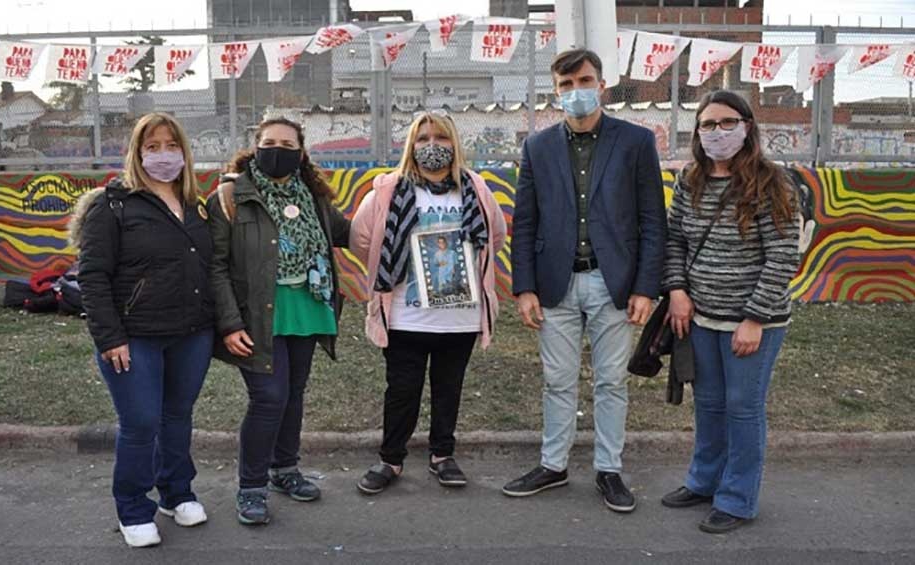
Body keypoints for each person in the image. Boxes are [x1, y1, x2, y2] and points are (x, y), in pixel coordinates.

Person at [503, 48, 667, 513]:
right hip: (556, 284)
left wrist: (644, 287)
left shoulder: (636, 142)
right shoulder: (537, 146)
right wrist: (525, 287)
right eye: (566, 85)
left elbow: (653, 219)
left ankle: (608, 470)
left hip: (613, 283)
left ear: (602, 85)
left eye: (585, 81)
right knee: (557, 381)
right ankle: (552, 466)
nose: (577, 92)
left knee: (612, 381)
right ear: (556, 91)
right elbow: (526, 220)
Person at [659, 90, 800, 534]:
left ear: (746, 126)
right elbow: (675, 238)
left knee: (743, 408)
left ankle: (738, 499)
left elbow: (782, 255)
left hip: (753, 324)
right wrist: (678, 290)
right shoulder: (690, 179)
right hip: (701, 317)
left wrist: (755, 318)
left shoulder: (772, 182)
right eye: (707, 124)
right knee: (710, 405)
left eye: (726, 123)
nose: (716, 133)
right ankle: (704, 481)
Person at [74, 112, 214, 548]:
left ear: (184, 152)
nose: (163, 155)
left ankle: (176, 492)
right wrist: (110, 337)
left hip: (191, 332)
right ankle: (133, 507)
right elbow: (92, 276)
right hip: (134, 335)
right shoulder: (111, 205)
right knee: (140, 422)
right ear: (136, 153)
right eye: (152, 147)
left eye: (171, 146)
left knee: (177, 416)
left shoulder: (196, 203)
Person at [350, 111, 507, 495]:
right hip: (405, 314)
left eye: (441, 138)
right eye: (422, 139)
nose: (432, 146)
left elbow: (496, 236)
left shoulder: (476, 189)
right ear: (411, 146)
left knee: (448, 388)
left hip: (460, 316)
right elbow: (362, 239)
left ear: (455, 144)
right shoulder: (388, 190)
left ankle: (442, 455)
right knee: (402, 390)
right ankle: (391, 458)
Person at [208, 117, 350, 526]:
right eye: (269, 142)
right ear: (254, 148)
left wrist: (388, 198)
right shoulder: (232, 195)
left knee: (293, 394)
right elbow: (216, 266)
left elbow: (347, 233)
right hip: (257, 315)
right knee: (268, 399)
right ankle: (251, 487)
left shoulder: (314, 195)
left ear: (301, 152)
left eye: (287, 143)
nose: (278, 149)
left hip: (306, 307)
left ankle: (284, 469)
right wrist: (230, 323)